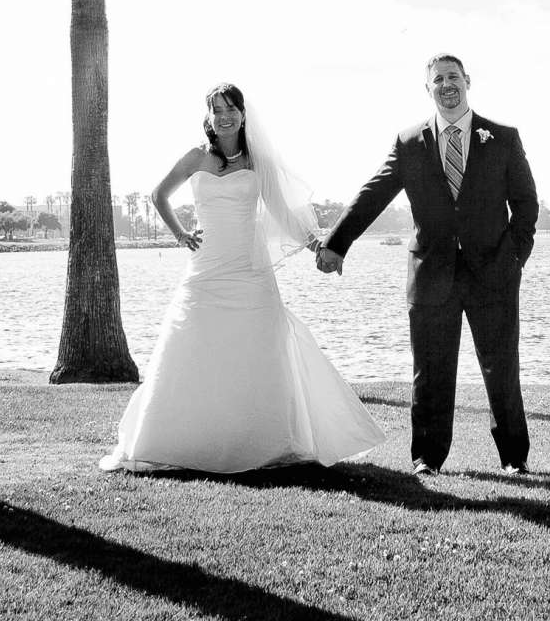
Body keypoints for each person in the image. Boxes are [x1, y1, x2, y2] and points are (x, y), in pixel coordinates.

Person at [99, 84, 385, 473]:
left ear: (243, 114)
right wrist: (180, 234)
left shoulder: (255, 161)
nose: (225, 116)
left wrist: (316, 244)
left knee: (259, 348)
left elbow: (282, 211)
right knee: (191, 343)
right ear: (208, 117)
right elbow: (158, 195)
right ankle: (174, 440)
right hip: (207, 268)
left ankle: (259, 441)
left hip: (251, 271)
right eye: (217, 110)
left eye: (231, 108)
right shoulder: (195, 157)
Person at [318, 54, 539, 475]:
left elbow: (526, 204)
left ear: (468, 81)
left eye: (453, 77)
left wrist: (514, 257)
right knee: (431, 372)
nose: (446, 85)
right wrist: (337, 243)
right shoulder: (408, 142)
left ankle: (515, 458)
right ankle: (427, 460)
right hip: (431, 274)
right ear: (428, 89)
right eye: (437, 80)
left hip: (493, 273)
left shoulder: (503, 138)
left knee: (501, 369)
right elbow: (374, 194)